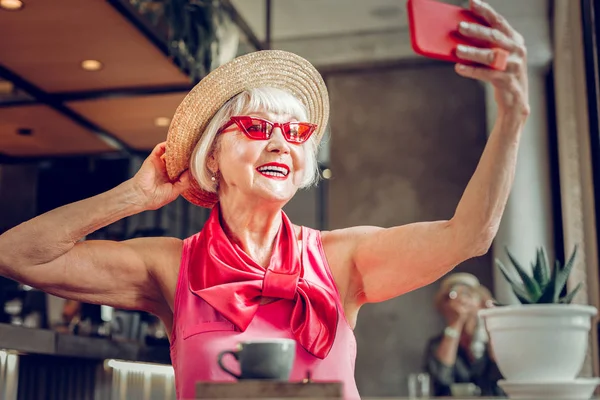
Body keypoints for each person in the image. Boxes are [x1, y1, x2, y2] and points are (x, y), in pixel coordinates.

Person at [0, 1, 529, 398]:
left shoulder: (344, 259)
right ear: (212, 155)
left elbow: (470, 235)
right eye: (256, 127)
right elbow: (16, 254)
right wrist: (133, 195)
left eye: (296, 133)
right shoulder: (169, 266)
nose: (280, 142)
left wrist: (512, 116)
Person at [424, 273, 504, 396]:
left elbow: (502, 371)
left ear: (479, 303)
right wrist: (456, 321)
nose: (462, 301)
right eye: (452, 298)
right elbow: (441, 378)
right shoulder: (436, 345)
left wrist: (491, 321)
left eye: (468, 294)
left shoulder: (490, 341)